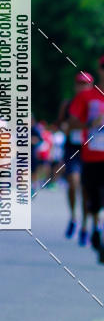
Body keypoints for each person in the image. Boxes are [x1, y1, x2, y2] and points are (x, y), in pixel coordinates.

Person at [68, 58, 104, 263]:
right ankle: (94, 227)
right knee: (94, 200)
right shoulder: (87, 97)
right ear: (100, 69)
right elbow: (72, 124)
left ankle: (98, 231)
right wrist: (91, 123)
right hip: (91, 156)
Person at [56, 72, 93, 242]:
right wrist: (66, 127)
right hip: (72, 148)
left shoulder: (95, 104)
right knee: (73, 182)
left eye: (85, 84)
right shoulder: (68, 104)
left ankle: (85, 225)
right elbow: (61, 123)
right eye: (79, 84)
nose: (82, 87)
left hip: (89, 149)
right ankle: (73, 217)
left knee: (86, 189)